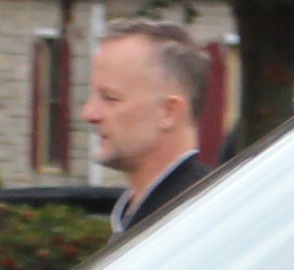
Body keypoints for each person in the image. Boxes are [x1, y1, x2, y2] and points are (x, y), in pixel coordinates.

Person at [81, 19, 226, 234]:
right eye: (93, 95)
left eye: (110, 98)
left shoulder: (195, 220)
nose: (88, 113)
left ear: (169, 112)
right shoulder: (144, 213)